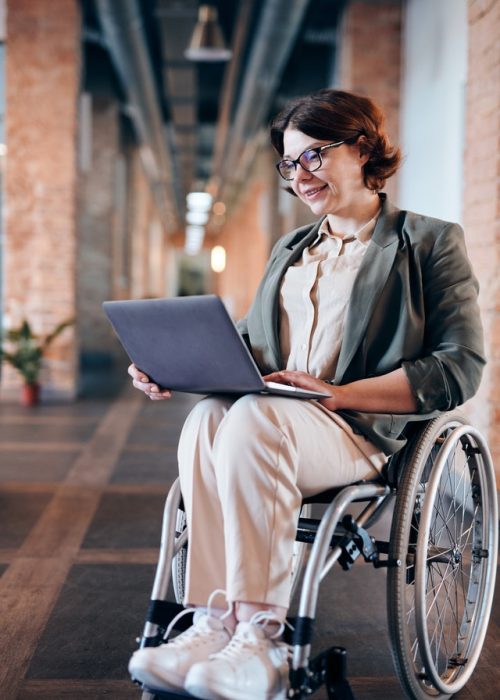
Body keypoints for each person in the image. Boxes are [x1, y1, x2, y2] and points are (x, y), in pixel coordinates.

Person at [127, 89, 485, 700]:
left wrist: (341, 394)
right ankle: (215, 621)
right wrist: (174, 365)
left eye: (315, 155)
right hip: (274, 421)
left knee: (251, 423)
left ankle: (262, 640)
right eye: (290, 164)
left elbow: (460, 367)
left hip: (355, 429)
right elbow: (250, 345)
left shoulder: (426, 243)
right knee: (208, 417)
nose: (301, 176)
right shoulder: (290, 250)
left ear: (364, 148)